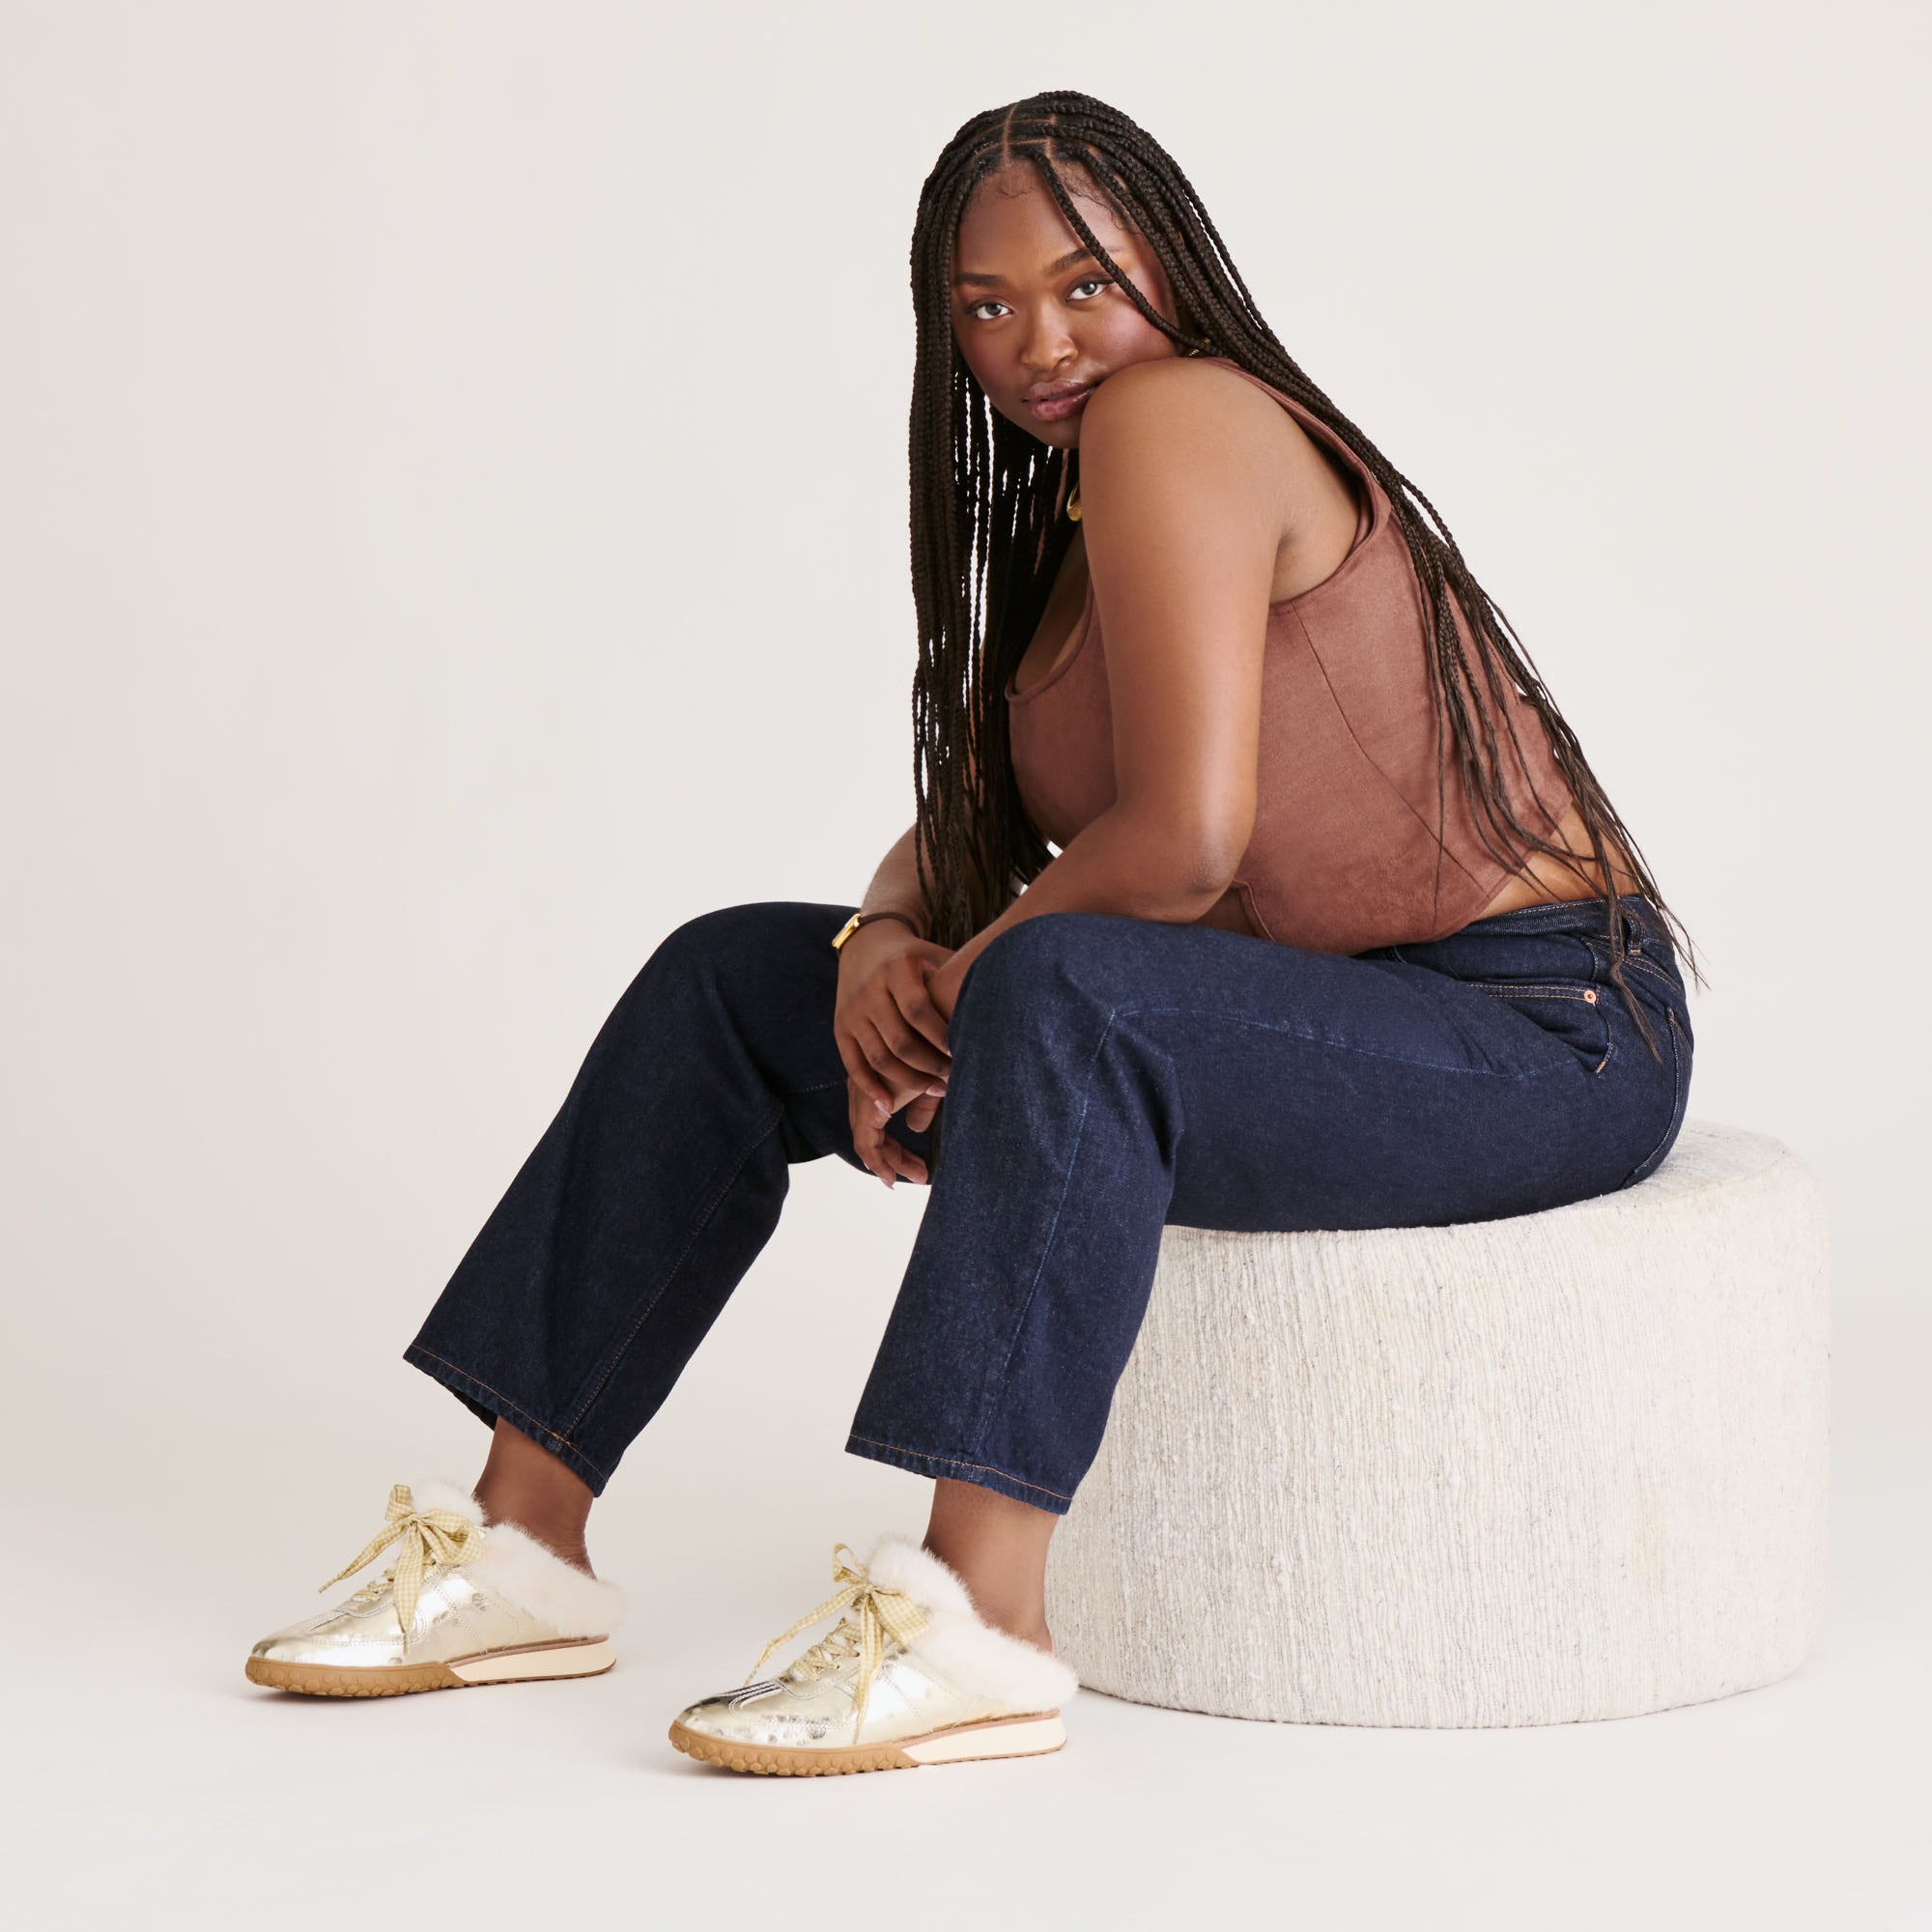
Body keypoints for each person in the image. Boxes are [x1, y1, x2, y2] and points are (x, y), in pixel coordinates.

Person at [245, 92, 1699, 1776]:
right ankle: (521, 1551)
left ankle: (978, 1625)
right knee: (734, 979)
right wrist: (882, 941)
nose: (1040, 342)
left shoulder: (1185, 418)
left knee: (1070, 987)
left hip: (1538, 1031)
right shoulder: (1064, 518)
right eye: (986, 304)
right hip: (1289, 1013)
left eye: (1085, 283)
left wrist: (978, 984)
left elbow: (1183, 844)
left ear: (1172, 264)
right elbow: (976, 831)